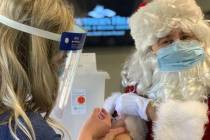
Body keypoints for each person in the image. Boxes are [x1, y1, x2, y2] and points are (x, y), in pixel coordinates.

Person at [0, 0, 125, 140]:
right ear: (39, 59)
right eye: (61, 60)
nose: (61, 64)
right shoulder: (28, 130)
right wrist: (88, 135)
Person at [103, 0, 210, 140]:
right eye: (167, 41)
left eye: (185, 37)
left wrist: (149, 110)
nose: (179, 47)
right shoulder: (139, 86)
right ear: (150, 51)